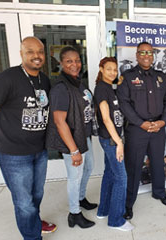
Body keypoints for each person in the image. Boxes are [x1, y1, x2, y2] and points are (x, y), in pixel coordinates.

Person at [0, 36, 56, 240]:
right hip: (13, 154)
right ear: (21, 54)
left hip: (39, 150)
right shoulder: (6, 78)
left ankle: (33, 222)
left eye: (40, 52)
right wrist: (1, 131)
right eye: (30, 51)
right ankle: (32, 236)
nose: (36, 56)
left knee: (36, 194)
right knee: (23, 201)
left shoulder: (43, 80)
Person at [117, 41, 166, 220]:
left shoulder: (161, 77)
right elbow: (123, 103)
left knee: (158, 162)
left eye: (149, 53)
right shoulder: (127, 77)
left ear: (153, 55)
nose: (146, 56)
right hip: (137, 130)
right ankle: (128, 203)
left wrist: (162, 121)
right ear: (136, 55)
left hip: (158, 128)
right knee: (133, 166)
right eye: (142, 52)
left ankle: (159, 192)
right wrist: (140, 123)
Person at [46, 46, 97, 228]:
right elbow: (60, 122)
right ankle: (74, 214)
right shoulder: (61, 88)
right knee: (74, 177)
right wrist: (73, 150)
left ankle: (81, 198)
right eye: (69, 61)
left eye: (77, 60)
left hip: (84, 137)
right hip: (73, 142)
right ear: (61, 63)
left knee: (89, 167)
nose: (74, 64)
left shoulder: (78, 83)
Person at [94, 57, 134, 231]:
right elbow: (105, 118)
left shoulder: (109, 87)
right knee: (121, 178)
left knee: (110, 173)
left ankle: (103, 210)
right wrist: (119, 142)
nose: (112, 72)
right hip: (111, 140)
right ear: (101, 69)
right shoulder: (102, 89)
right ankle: (116, 220)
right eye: (108, 69)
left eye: (115, 69)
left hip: (111, 139)